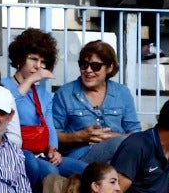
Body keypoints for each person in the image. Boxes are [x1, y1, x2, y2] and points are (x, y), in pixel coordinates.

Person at [50, 39, 141, 173]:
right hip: (80, 156)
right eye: (84, 65)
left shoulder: (122, 93)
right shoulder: (65, 94)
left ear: (109, 68)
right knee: (122, 145)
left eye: (95, 66)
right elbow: (53, 135)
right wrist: (79, 136)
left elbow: (136, 133)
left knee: (134, 147)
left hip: (119, 155)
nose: (88, 70)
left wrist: (111, 137)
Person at [5, 28, 64, 186]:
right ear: (20, 59)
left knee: (83, 170)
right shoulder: (3, 85)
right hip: (14, 151)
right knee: (50, 173)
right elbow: (7, 109)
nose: (39, 66)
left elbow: (50, 126)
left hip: (42, 152)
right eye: (33, 59)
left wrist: (53, 149)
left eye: (43, 62)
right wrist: (30, 81)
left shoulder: (44, 94)